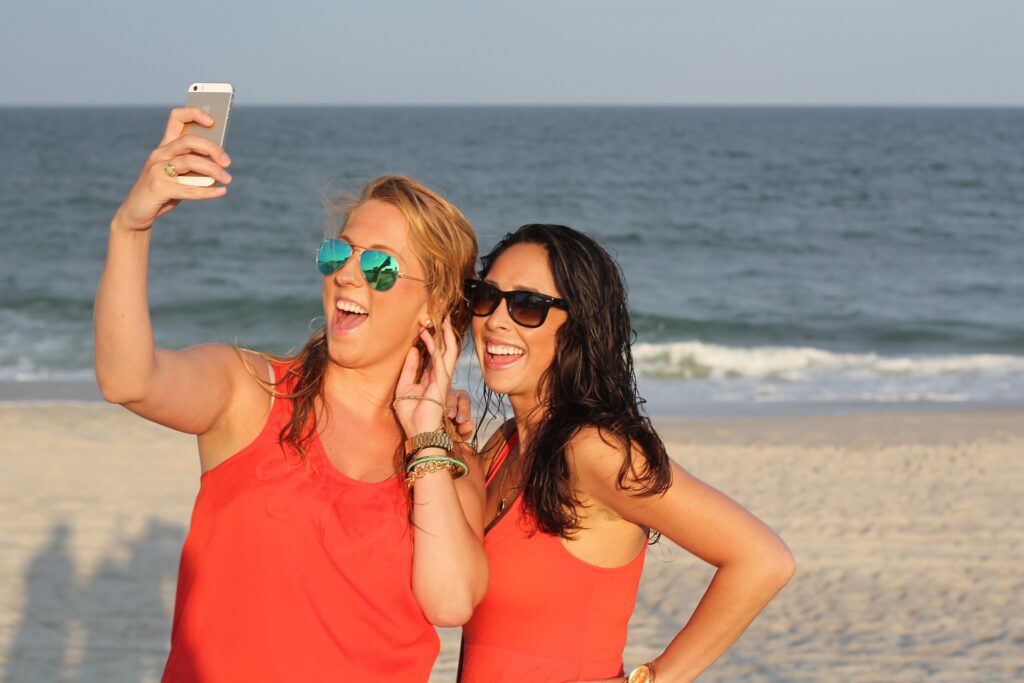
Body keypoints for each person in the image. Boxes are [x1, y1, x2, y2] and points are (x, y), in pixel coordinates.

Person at [93, 107, 487, 682]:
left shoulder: (448, 462)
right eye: (340, 252)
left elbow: (451, 601)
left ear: (431, 307)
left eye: (380, 266)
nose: (348, 274)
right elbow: (128, 379)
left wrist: (426, 428)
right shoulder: (247, 392)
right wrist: (130, 227)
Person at [459, 224, 796, 683]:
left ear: (578, 326)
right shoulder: (503, 444)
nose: (496, 319)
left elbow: (763, 559)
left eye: (527, 305)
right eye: (485, 296)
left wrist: (652, 679)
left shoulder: (594, 450)